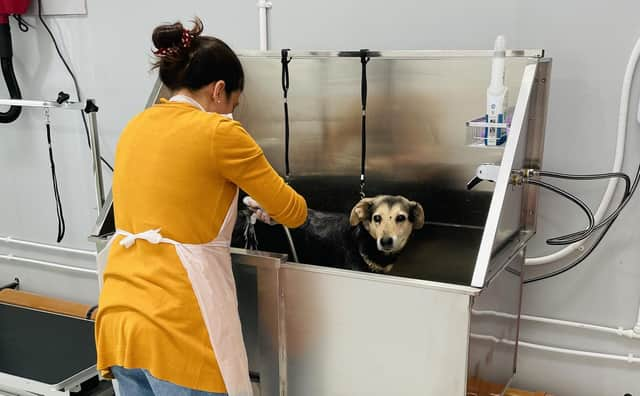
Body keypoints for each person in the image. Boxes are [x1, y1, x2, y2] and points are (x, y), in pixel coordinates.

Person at [94, 18, 307, 396]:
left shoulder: (136, 127)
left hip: (120, 317)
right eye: (234, 104)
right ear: (218, 90)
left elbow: (175, 197)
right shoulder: (220, 133)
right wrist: (269, 204)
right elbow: (293, 212)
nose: (232, 113)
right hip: (180, 325)